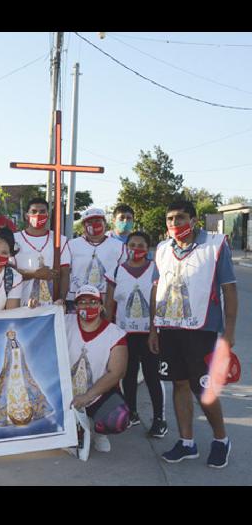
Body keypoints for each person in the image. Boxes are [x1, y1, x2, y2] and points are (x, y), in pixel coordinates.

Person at [149, 200, 237, 468]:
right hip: (170, 328)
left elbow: (229, 291)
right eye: (170, 219)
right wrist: (154, 328)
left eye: (180, 217)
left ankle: (221, 440)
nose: (175, 223)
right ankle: (187, 443)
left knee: (204, 389)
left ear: (194, 219)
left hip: (202, 328)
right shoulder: (163, 249)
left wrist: (229, 332)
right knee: (179, 384)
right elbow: (156, 289)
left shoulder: (215, 245)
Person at [105, 231, 167, 438]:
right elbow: (109, 303)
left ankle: (159, 419)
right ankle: (132, 413)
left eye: (141, 245)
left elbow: (161, 302)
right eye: (132, 244)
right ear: (126, 247)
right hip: (125, 334)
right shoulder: (117, 271)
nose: (136, 249)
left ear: (148, 249)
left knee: (151, 376)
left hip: (150, 334)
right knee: (128, 375)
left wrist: (155, 331)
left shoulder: (156, 271)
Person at [68, 285, 129, 453]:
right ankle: (73, 427)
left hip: (97, 393)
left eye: (93, 302)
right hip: (66, 392)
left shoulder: (115, 334)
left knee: (118, 418)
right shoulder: (64, 322)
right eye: (82, 302)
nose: (87, 306)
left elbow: (117, 372)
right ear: (75, 307)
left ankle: (100, 431)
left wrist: (88, 396)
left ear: (101, 306)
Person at [13, 197, 70, 307]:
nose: (38, 214)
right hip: (20, 303)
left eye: (42, 212)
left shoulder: (60, 240)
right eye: (34, 211)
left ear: (48, 215)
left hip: (51, 305)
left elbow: (65, 273)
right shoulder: (14, 239)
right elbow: (8, 272)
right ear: (26, 216)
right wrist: (35, 274)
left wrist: (62, 300)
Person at [67, 207, 126, 305]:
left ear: (105, 223)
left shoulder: (119, 246)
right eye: (89, 222)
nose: (94, 224)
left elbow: (123, 274)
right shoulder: (71, 245)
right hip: (76, 299)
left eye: (98, 220)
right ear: (83, 225)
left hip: (107, 300)